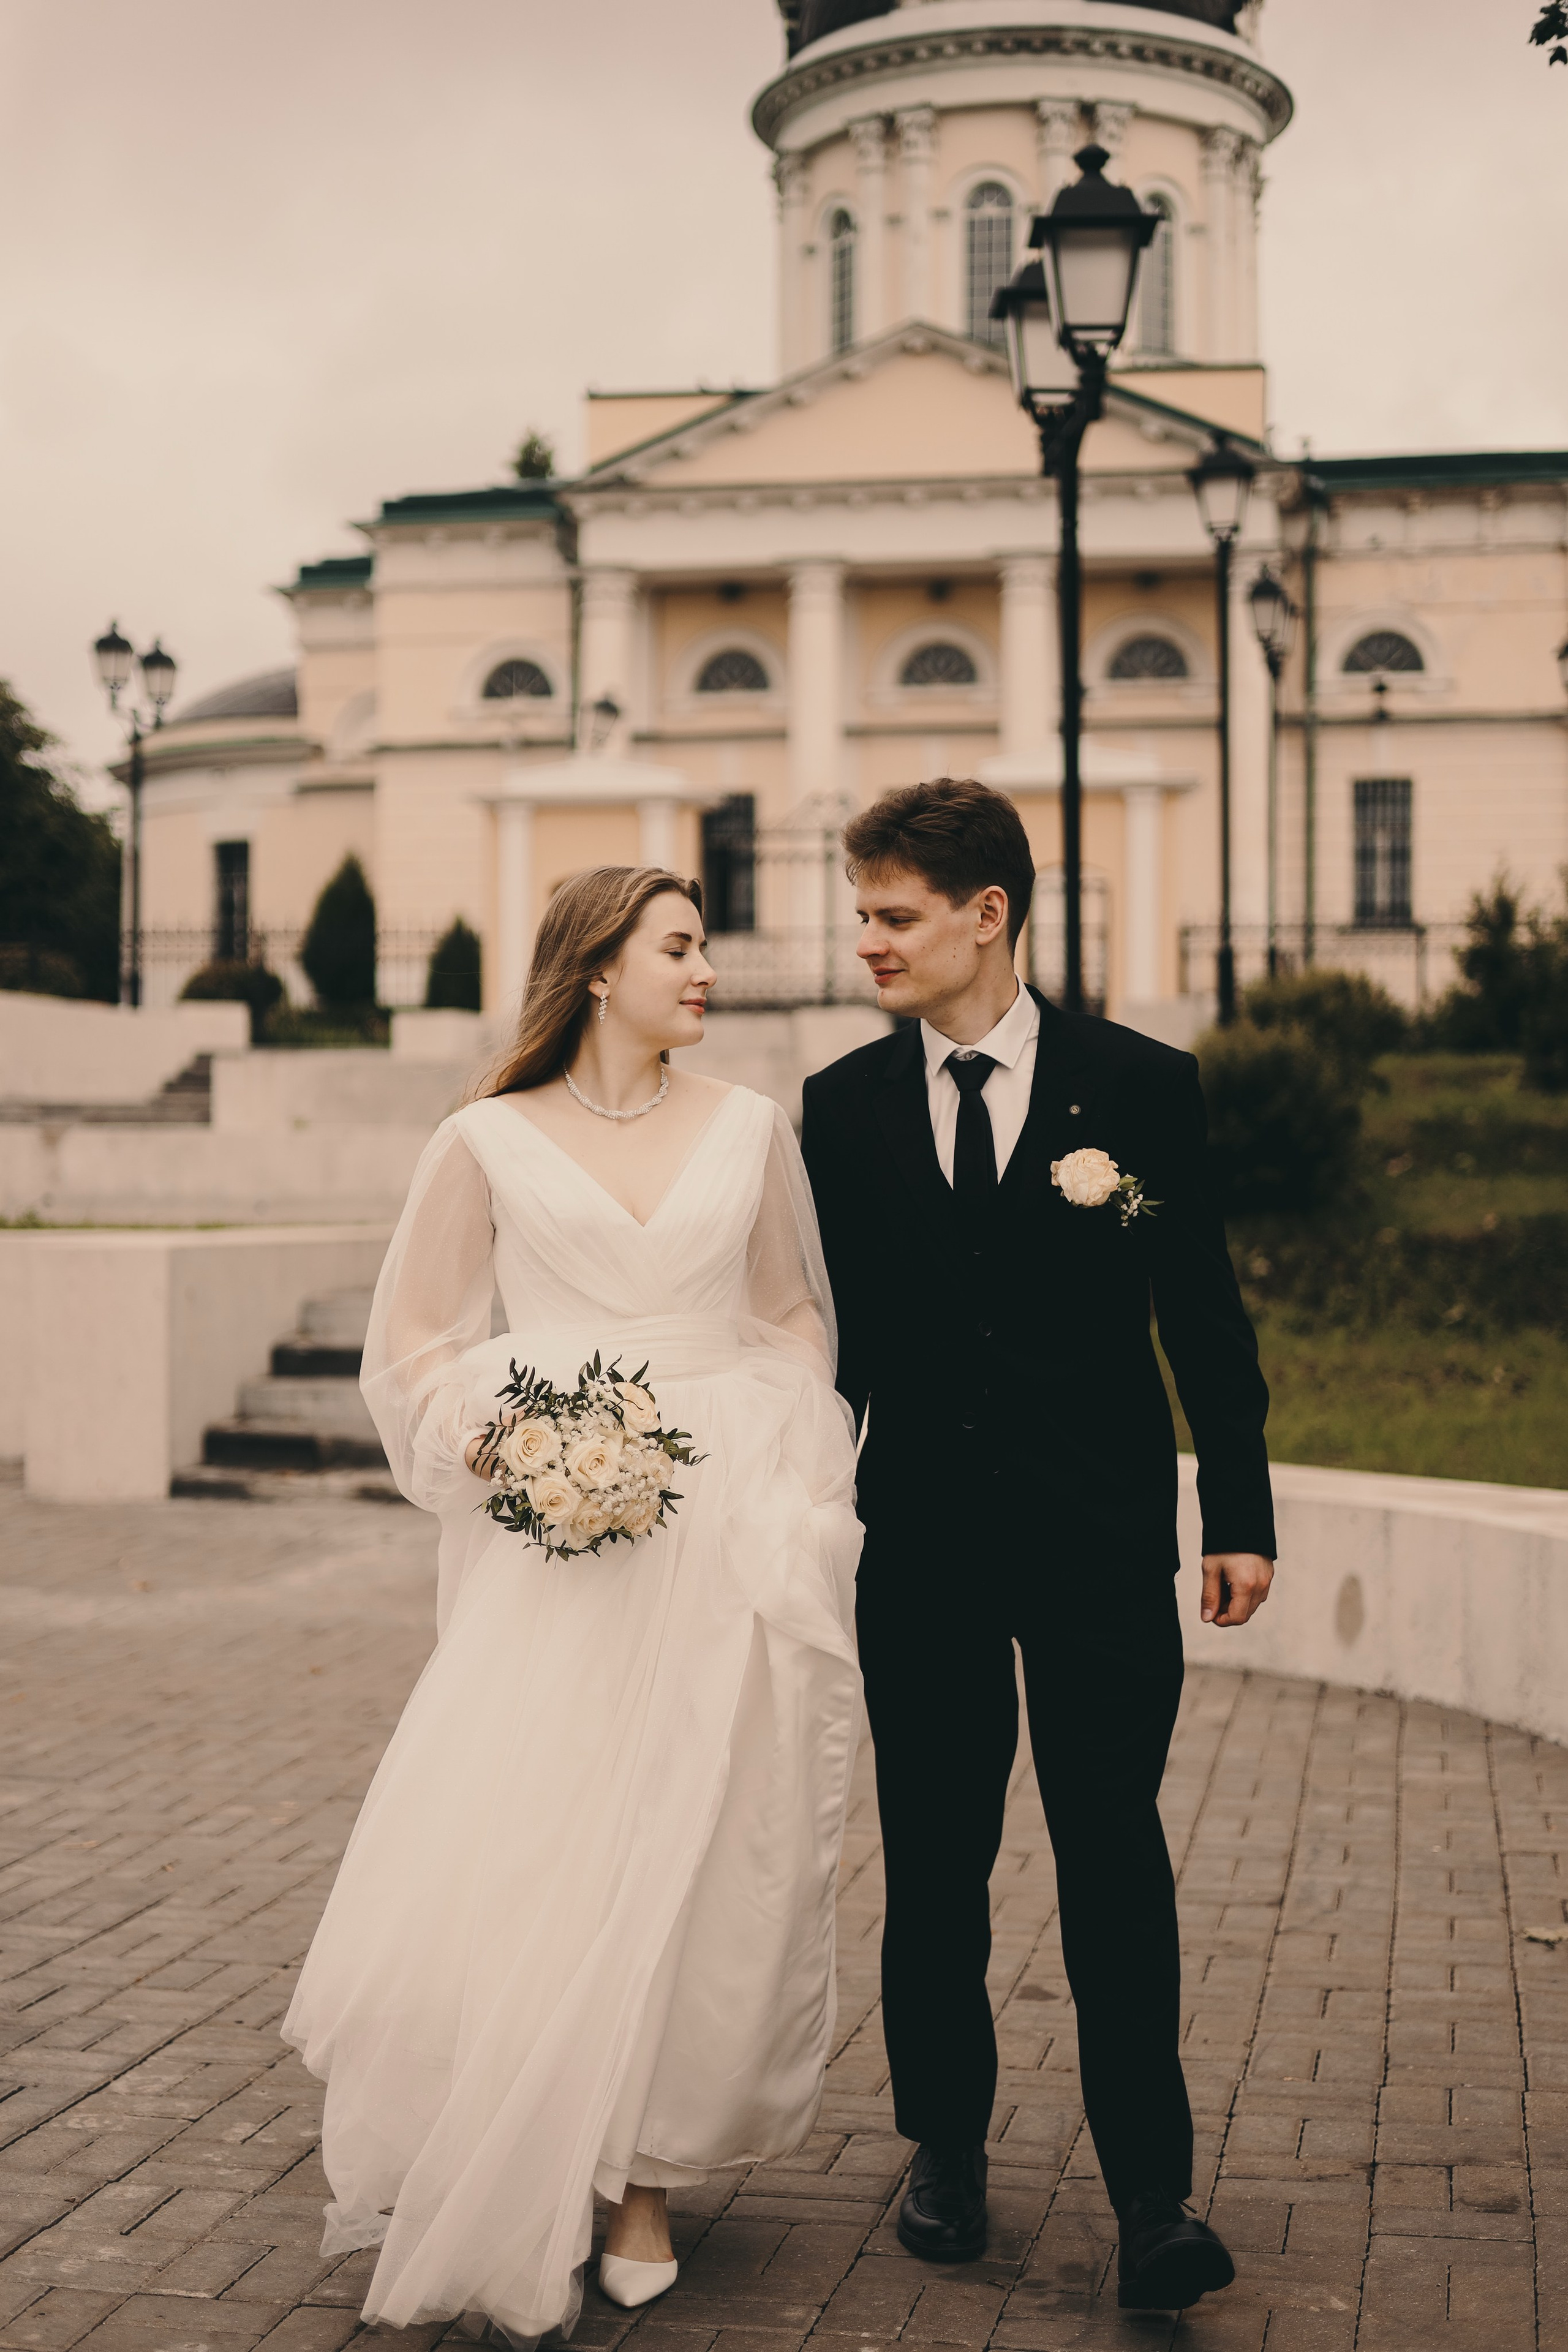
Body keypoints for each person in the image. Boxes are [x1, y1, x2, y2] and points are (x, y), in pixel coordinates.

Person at [285, 865, 863, 2347]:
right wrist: (516, 1434)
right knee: (547, 1832)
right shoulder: (481, 1139)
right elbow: (416, 1343)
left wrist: (781, 1434)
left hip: (719, 1525)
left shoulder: (748, 1128)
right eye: (679, 945)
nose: (707, 969)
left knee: (697, 1830)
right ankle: (521, 2136)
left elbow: (791, 1310)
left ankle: (643, 2177)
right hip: (562, 1538)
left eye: (707, 946)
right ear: (598, 968)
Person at [799, 780, 1275, 2317]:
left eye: (892, 914)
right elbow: (828, 1353)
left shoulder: (1137, 1088)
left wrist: (1239, 1515)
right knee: (934, 1867)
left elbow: (1199, 1309)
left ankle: (1152, 2197)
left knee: (1110, 1863)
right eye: (860, 912)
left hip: (1096, 1542)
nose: (863, 939)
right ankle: (942, 2143)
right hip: (921, 1550)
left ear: (985, 914)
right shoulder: (840, 1107)